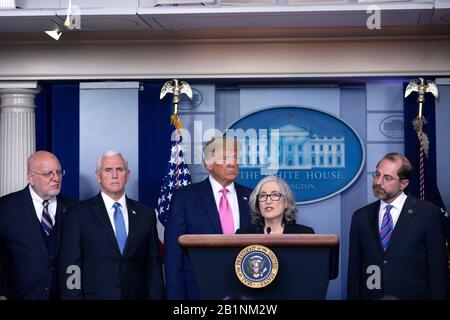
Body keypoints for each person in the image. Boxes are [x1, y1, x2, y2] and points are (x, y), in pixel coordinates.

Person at [58, 150, 164, 300]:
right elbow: (71, 267)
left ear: (127, 174)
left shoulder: (146, 214)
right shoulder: (77, 214)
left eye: (119, 169)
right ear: (98, 176)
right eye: (108, 170)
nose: (114, 175)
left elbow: (153, 268)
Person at [348, 152, 448, 300]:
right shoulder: (360, 217)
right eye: (377, 174)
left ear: (404, 184)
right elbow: (354, 272)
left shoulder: (428, 213)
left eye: (387, 178)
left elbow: (438, 270)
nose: (378, 182)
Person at [164, 136, 252, 300]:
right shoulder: (186, 197)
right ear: (209, 164)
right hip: (199, 289)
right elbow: (173, 254)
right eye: (225, 158)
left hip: (245, 287)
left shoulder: (251, 196)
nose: (233, 163)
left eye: (235, 158)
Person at [0, 151, 76, 299]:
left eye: (59, 172)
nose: (56, 178)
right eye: (48, 173)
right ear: (31, 178)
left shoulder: (74, 209)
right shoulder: (5, 208)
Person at [236, 175, 314, 234]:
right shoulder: (243, 234)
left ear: (286, 202)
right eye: (263, 196)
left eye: (275, 195)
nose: (268, 201)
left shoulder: (305, 234)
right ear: (257, 203)